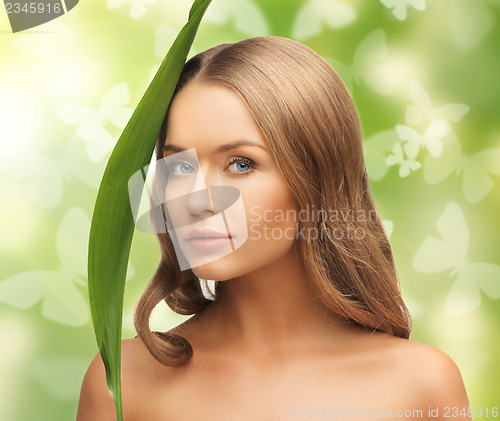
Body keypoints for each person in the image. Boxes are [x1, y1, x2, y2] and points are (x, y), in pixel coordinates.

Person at [77, 36, 470, 420]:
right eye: (181, 166)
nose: (195, 200)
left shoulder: (420, 385)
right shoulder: (123, 381)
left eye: (241, 163)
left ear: (317, 178)